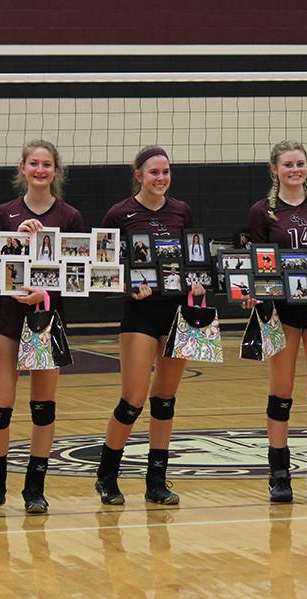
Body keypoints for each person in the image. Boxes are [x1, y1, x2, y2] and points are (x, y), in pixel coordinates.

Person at [0, 139, 85, 514]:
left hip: (45, 320)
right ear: (22, 168)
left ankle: (35, 488)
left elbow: (76, 277)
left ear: (56, 171)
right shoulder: (3, 213)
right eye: (33, 163)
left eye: (47, 164)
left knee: (43, 407)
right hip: (5, 320)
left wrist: (45, 293)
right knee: (0, 407)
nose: (40, 170)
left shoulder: (69, 216)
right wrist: (18, 240)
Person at [95, 146, 204, 506]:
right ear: (138, 175)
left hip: (177, 312)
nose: (161, 178)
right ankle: (107, 475)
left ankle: (156, 481)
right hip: (140, 314)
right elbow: (102, 268)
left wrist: (198, 283)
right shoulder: (119, 214)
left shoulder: (182, 211)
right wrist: (128, 287)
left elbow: (192, 260)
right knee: (133, 399)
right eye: (154, 172)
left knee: (165, 399)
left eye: (166, 172)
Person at [247, 140, 307, 503]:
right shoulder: (262, 212)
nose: (295, 170)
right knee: (281, 393)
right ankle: (279, 476)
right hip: (281, 311)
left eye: (300, 163)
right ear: (274, 169)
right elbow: (257, 263)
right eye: (287, 165)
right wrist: (255, 292)